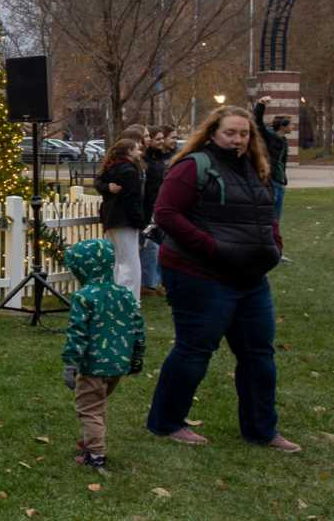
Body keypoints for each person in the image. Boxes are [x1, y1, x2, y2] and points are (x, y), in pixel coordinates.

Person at [145, 104, 298, 452]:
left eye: (244, 133)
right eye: (230, 132)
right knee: (195, 349)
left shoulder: (255, 167)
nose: (238, 140)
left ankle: (262, 430)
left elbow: (265, 214)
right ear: (213, 132)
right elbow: (166, 213)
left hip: (250, 277)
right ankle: (166, 422)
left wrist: (273, 245)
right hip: (200, 274)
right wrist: (212, 248)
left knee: (259, 354)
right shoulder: (193, 166)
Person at [61, 237, 146, 471]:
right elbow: (138, 328)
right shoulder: (125, 295)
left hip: (92, 367)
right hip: (118, 366)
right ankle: (91, 440)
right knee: (99, 404)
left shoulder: (84, 297)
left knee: (89, 408)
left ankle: (95, 455)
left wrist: (71, 364)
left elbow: (77, 333)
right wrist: (136, 359)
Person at [96, 132, 147, 291]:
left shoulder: (110, 167)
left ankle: (117, 293)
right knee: (130, 262)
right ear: (129, 152)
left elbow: (99, 182)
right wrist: (140, 222)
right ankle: (129, 298)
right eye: (137, 149)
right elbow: (131, 200)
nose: (140, 152)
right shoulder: (129, 171)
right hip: (125, 220)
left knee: (118, 260)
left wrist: (106, 188)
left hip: (110, 218)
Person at [140, 126, 174, 297]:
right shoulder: (145, 161)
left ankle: (155, 282)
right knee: (150, 246)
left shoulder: (159, 159)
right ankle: (147, 284)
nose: (161, 142)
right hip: (148, 207)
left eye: (162, 139)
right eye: (157, 139)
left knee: (159, 246)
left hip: (159, 205)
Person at [252, 101, 290, 221]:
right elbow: (257, 123)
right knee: (269, 215)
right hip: (271, 181)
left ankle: (274, 236)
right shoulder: (270, 137)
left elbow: (282, 163)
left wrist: (283, 178)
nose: (292, 127)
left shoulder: (284, 140)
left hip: (279, 181)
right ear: (283, 125)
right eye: (290, 124)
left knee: (276, 217)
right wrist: (261, 105)